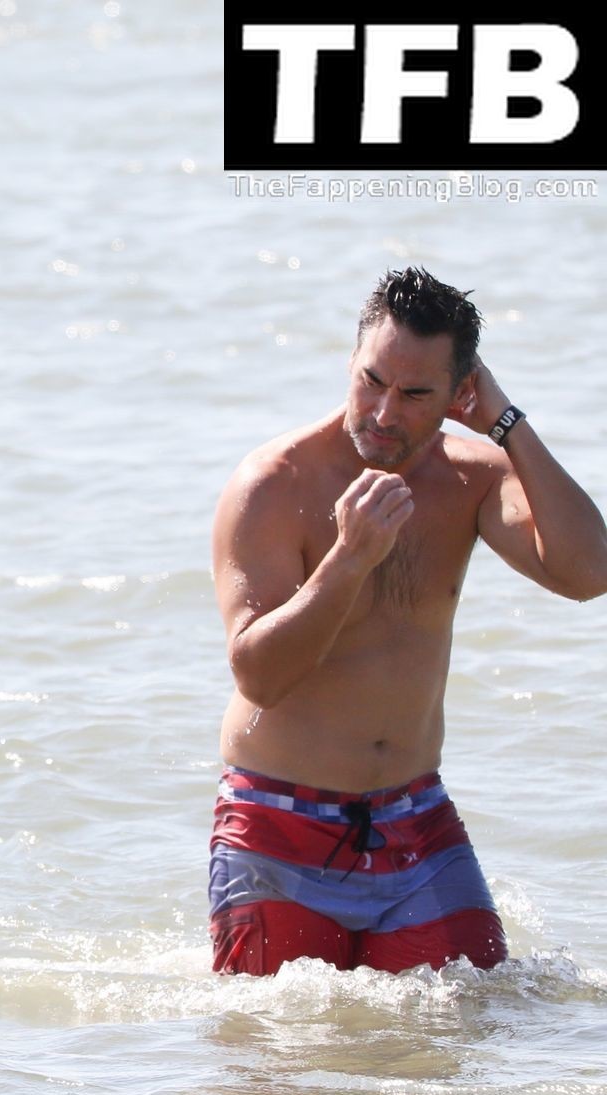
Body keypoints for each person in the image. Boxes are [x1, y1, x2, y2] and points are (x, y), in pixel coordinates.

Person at [208, 267, 607, 976]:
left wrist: (508, 425)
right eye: (372, 381)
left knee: (477, 1018)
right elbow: (259, 677)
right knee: (282, 1043)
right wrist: (349, 559)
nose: (384, 413)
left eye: (416, 394)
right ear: (351, 362)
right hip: (277, 825)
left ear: (460, 393)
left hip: (416, 822)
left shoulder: (473, 479)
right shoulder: (274, 483)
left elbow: (588, 574)